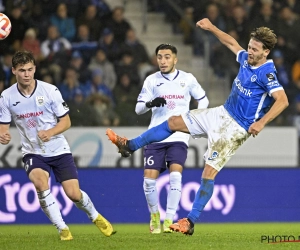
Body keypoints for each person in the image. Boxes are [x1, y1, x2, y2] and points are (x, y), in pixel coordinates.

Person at [106, 18, 289, 235]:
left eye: (254, 50)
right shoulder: (246, 59)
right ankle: (130, 145)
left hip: (236, 128)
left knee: (208, 173)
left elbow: (283, 100)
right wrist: (211, 28)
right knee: (174, 122)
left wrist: (261, 122)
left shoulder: (267, 73)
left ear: (265, 52)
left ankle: (190, 222)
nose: (249, 51)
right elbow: (231, 43)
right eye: (249, 47)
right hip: (222, 112)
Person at [0, 51, 115, 240]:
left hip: (59, 149)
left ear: (35, 68)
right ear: (14, 71)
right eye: (22, 70)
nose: (27, 74)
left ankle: (95, 216)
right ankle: (62, 229)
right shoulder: (6, 97)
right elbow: (3, 127)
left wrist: (50, 132)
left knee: (74, 194)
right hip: (33, 152)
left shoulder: (50, 90)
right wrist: (3, 135)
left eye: (30, 69)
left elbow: (66, 122)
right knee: (40, 183)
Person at [133, 43, 209, 234]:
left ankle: (169, 219)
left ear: (175, 59)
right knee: (149, 181)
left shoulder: (187, 79)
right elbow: (138, 109)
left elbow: (203, 99)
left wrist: (193, 116)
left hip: (179, 136)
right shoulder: (151, 80)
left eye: (167, 57)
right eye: (159, 57)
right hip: (155, 136)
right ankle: (154, 216)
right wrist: (151, 103)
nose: (163, 61)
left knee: (175, 176)